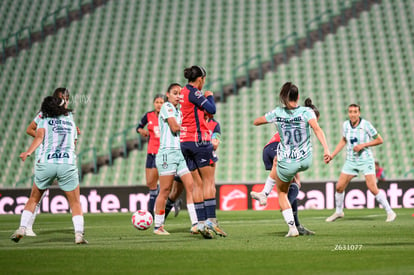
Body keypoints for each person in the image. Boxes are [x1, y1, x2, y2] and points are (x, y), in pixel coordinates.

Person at [253, 82, 330, 237]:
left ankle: (292, 227)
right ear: (298, 97)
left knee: (282, 192)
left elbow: (256, 121)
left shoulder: (278, 112)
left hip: (287, 160)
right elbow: (317, 129)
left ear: (283, 98)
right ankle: (292, 218)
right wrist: (326, 149)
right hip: (305, 159)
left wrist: (273, 117)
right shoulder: (307, 112)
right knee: (291, 181)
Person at [11, 96, 87, 244]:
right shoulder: (71, 123)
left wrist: (29, 152)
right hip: (66, 163)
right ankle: (78, 235)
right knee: (75, 203)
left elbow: (38, 138)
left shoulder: (44, 121)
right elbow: (74, 143)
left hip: (46, 163)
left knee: (33, 198)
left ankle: (21, 228)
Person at [251, 106, 316, 236]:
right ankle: (266, 194)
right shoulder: (304, 122)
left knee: (290, 185)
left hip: (269, 150)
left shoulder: (295, 119)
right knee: (289, 186)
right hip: (277, 148)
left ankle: (296, 225)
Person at [325, 104, 396, 222]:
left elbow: (380, 140)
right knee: (339, 187)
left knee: (372, 188)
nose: (352, 114)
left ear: (359, 113)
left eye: (355, 112)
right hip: (351, 160)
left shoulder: (366, 125)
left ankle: (390, 212)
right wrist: (332, 155)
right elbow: (343, 140)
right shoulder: (346, 125)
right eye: (350, 112)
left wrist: (363, 145)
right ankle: (338, 212)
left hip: (365, 160)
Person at [24, 88, 80, 237]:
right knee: (38, 195)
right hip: (44, 155)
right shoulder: (44, 115)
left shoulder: (67, 116)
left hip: (58, 158)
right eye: (63, 97)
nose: (66, 100)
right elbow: (30, 129)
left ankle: (26, 226)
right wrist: (45, 136)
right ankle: (27, 226)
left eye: (67, 97)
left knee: (39, 194)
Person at [180, 65, 227, 238]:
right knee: (209, 182)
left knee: (197, 184)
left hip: (184, 142)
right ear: (200, 79)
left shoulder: (183, 92)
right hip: (198, 140)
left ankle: (200, 223)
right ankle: (211, 222)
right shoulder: (195, 92)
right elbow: (212, 110)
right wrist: (210, 96)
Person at [164, 113, 221, 232]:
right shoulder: (190, 120)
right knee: (175, 192)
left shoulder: (215, 124)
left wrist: (214, 142)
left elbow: (216, 139)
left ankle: (198, 222)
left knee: (196, 187)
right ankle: (161, 220)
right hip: (185, 157)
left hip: (201, 156)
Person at [153, 83, 198, 235]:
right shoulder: (167, 107)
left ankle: (195, 224)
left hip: (180, 153)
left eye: (180, 93)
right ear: (168, 94)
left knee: (191, 186)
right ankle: (158, 226)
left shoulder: (179, 110)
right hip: (167, 153)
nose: (178, 96)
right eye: (175, 93)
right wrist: (192, 128)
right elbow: (174, 127)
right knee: (165, 190)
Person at [136, 94, 165, 217]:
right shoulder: (149, 116)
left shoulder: (167, 117)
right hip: (150, 152)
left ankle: (151, 213)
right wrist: (142, 131)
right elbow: (138, 127)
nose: (159, 104)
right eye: (157, 102)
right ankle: (171, 201)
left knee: (153, 182)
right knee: (150, 183)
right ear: (154, 104)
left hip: (161, 152)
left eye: (161, 102)